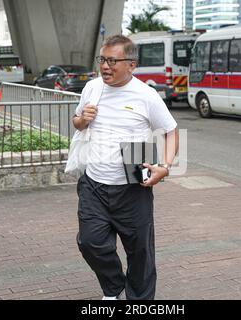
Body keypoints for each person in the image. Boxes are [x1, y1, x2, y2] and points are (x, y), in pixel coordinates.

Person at [73, 35, 179, 300]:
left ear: (131, 64)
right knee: (90, 242)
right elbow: (76, 122)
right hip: (94, 183)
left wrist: (164, 166)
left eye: (112, 61)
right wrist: (81, 120)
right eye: (102, 60)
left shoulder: (146, 95)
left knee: (140, 252)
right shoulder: (92, 88)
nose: (105, 66)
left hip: (134, 183)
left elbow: (171, 131)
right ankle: (114, 286)